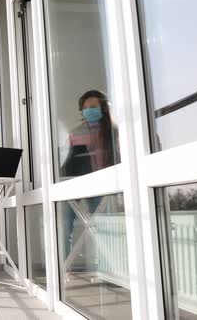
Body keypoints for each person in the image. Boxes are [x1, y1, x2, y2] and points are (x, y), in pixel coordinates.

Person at [59, 90, 120, 263]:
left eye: (92, 106)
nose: (88, 110)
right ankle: (64, 266)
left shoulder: (114, 132)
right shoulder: (75, 133)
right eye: (85, 108)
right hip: (76, 183)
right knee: (65, 225)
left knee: (104, 226)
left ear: (102, 108)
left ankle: (108, 266)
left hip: (104, 185)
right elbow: (66, 162)